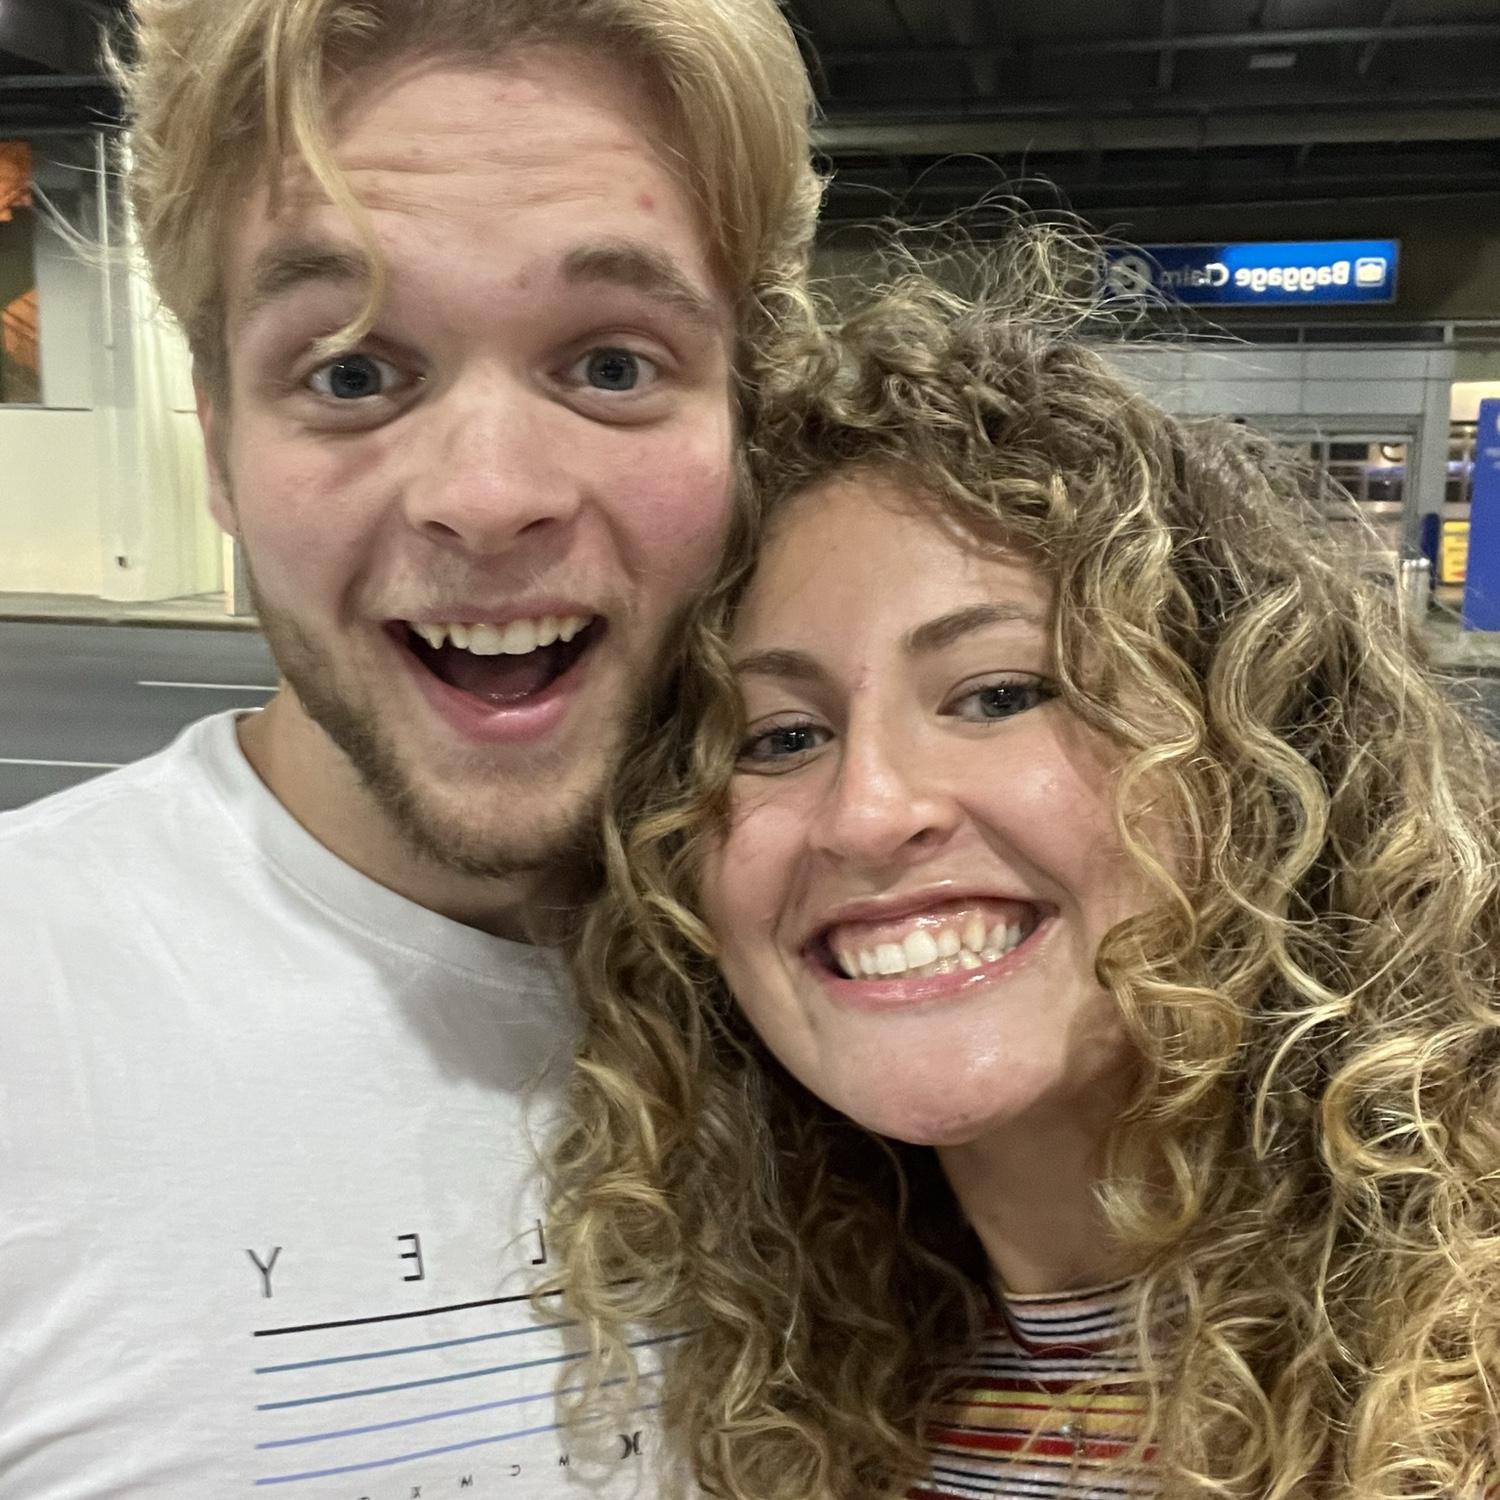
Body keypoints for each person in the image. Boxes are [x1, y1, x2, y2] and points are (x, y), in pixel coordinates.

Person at [0, 1, 818, 1493]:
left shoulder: (889, 978)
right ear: (219, 445)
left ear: (751, 421)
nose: (487, 496)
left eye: (612, 365)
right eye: (352, 372)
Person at [547, 262, 1500, 1500]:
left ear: (1260, 766)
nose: (868, 811)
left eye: (999, 695)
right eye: (780, 736)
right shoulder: (790, 1405)